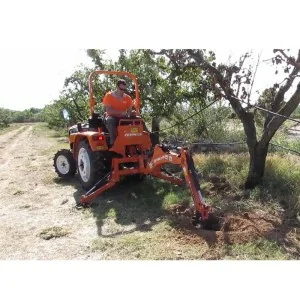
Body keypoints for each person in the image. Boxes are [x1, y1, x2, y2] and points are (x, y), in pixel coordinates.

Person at [102, 79, 135, 148]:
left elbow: (129, 111)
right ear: (117, 87)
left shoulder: (128, 98)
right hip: (112, 116)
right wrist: (121, 112)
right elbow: (108, 110)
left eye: (124, 89)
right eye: (121, 89)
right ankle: (113, 142)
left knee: (136, 120)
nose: (122, 91)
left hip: (123, 117)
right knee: (111, 120)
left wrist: (131, 113)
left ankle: (134, 140)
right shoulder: (109, 96)